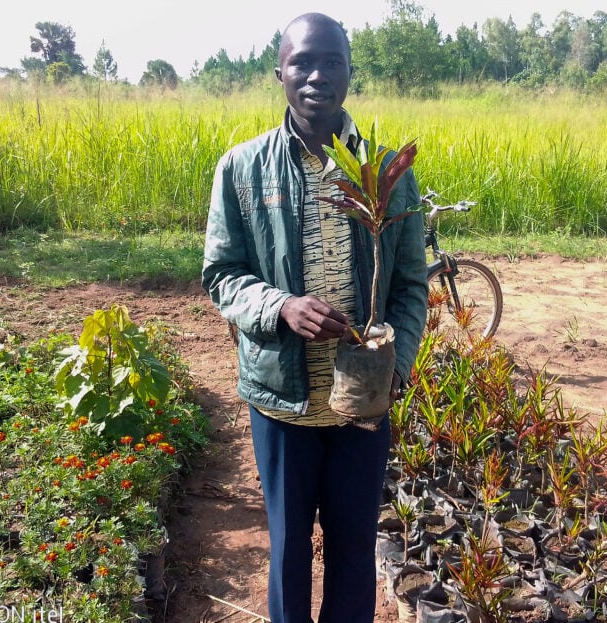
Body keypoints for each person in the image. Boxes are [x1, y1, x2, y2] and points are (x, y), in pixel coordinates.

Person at [201, 12, 428, 623]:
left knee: (354, 547)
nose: (316, 76)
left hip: (363, 402)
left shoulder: (386, 172)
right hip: (282, 399)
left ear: (351, 73)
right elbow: (221, 275)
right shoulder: (242, 169)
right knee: (289, 549)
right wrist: (281, 306)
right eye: (302, 61)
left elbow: (410, 283)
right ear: (279, 71)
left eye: (332, 62)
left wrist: (396, 365)